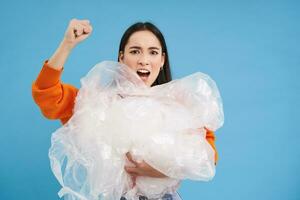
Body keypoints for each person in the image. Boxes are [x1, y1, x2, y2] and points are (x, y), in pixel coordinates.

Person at [32, 19, 219, 200]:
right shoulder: (98, 103)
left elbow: (207, 156)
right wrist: (67, 44)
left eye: (153, 52)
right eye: (135, 51)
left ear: (162, 60)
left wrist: (161, 170)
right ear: (121, 57)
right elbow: (47, 93)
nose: (144, 60)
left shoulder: (178, 106)